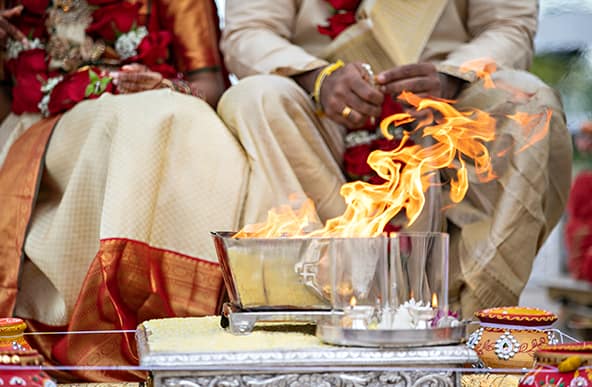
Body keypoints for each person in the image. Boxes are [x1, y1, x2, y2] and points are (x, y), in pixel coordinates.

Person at [218, 0, 573, 317]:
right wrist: (319, 78)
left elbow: (508, 26)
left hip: (448, 105)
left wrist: (453, 77)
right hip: (316, 106)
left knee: (531, 103)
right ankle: (311, 306)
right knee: (258, 96)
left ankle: (473, 322)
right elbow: (249, 32)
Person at [0, 0, 248, 381]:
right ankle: (108, 333)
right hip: (49, 123)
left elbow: (209, 84)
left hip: (166, 109)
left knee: (181, 121)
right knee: (140, 122)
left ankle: (181, 330)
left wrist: (169, 86)